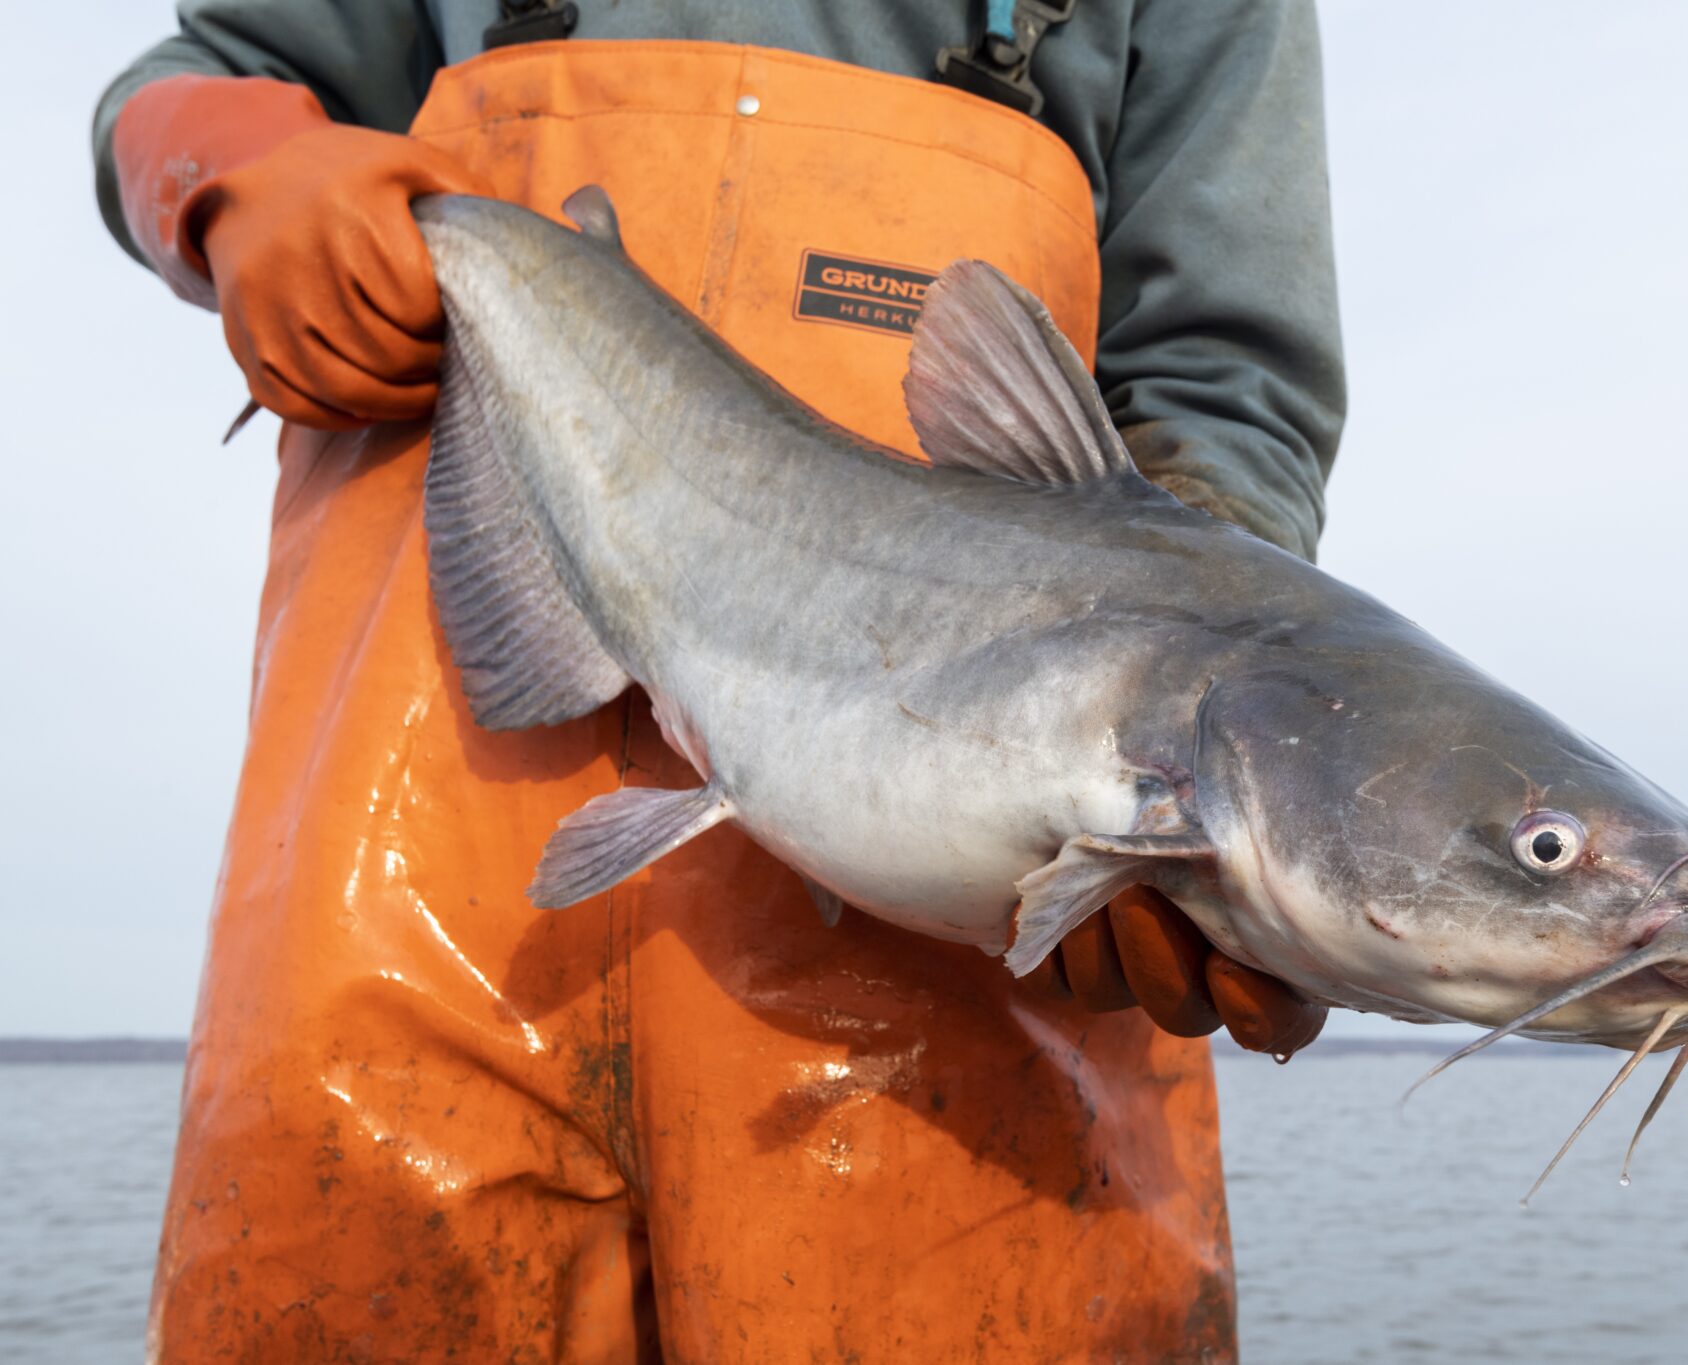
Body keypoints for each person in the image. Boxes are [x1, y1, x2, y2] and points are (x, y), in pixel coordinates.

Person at [96, 2, 1344, 1358]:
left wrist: (1172, 703)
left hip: (971, 994)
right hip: (412, 820)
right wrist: (232, 169)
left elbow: (1223, 384)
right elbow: (202, 80)